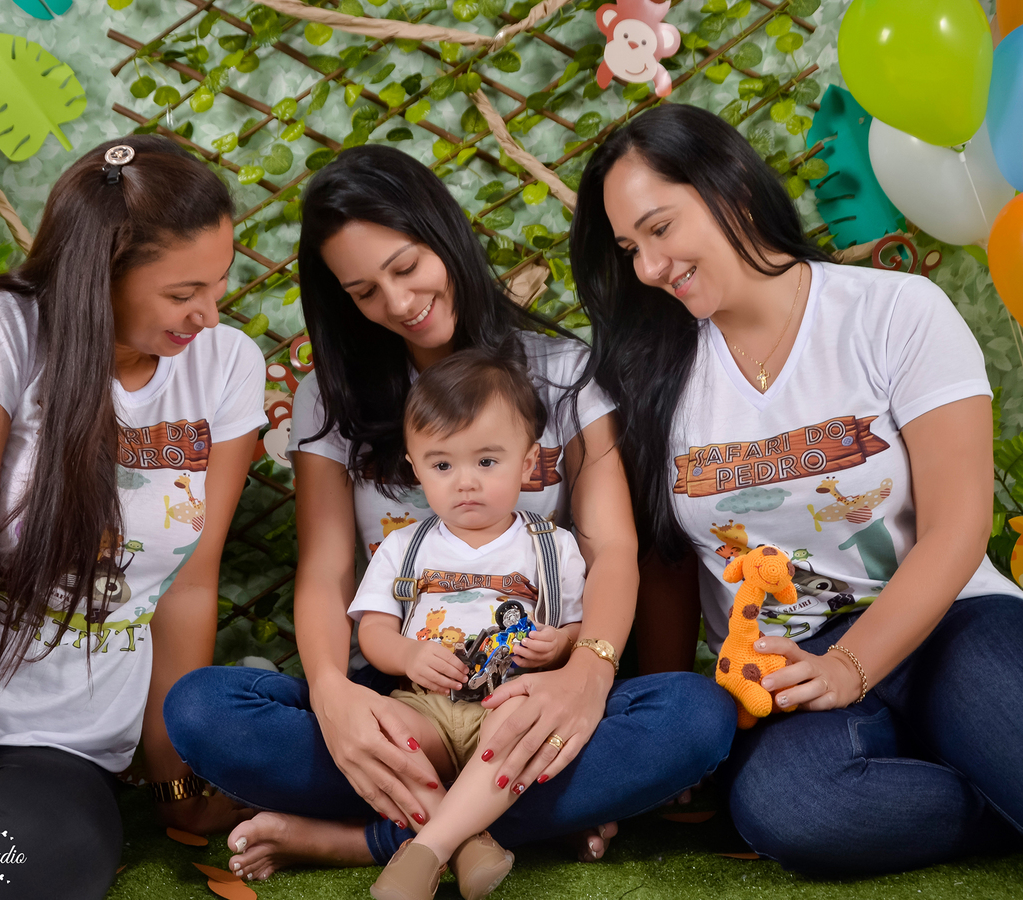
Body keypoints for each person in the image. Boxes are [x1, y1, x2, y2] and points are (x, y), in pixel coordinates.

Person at [163, 145, 736, 882]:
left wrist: (589, 673)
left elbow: (612, 548)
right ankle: (506, 825)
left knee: (695, 716)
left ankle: (369, 841)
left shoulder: (564, 373)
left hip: (532, 697)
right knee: (205, 709)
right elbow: (329, 569)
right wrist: (335, 697)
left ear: (445, 235)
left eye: (407, 267)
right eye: (365, 290)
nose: (398, 303)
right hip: (401, 705)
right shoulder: (331, 403)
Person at [570, 102, 1023, 875]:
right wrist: (672, 729)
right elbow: (670, 562)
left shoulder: (894, 312)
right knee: (796, 810)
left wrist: (855, 667)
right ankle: (985, 791)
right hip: (787, 663)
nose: (647, 267)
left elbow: (957, 526)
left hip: (950, 621)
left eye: (659, 228)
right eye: (627, 248)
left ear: (731, 187)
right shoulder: (646, 374)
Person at [0, 135, 266, 899]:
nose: (209, 312)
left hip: (63, 737)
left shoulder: (227, 365)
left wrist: (174, 783)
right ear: (101, 277)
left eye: (219, 282)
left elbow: (190, 582)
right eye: (182, 291)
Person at [354, 348, 585, 900]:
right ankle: (471, 840)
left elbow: (577, 627)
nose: (465, 482)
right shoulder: (402, 547)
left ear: (528, 464)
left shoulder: (551, 547)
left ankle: (426, 850)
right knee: (383, 733)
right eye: (442, 465)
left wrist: (559, 646)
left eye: (487, 462)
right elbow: (373, 632)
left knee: (526, 734)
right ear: (415, 467)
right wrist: (408, 657)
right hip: (425, 709)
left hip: (506, 710)